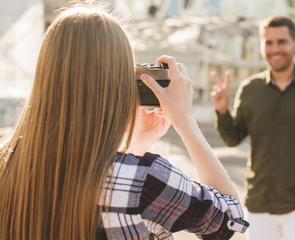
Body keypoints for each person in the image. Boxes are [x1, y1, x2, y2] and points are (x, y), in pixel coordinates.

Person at [0, 3, 249, 240]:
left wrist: (133, 148)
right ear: (117, 82)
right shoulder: (145, 178)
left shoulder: (6, 163)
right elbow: (231, 225)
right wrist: (184, 120)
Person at [211, 16, 295, 240]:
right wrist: (223, 112)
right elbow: (233, 138)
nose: (275, 49)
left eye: (282, 42)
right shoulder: (250, 89)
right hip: (258, 206)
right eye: (268, 43)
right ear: (262, 46)